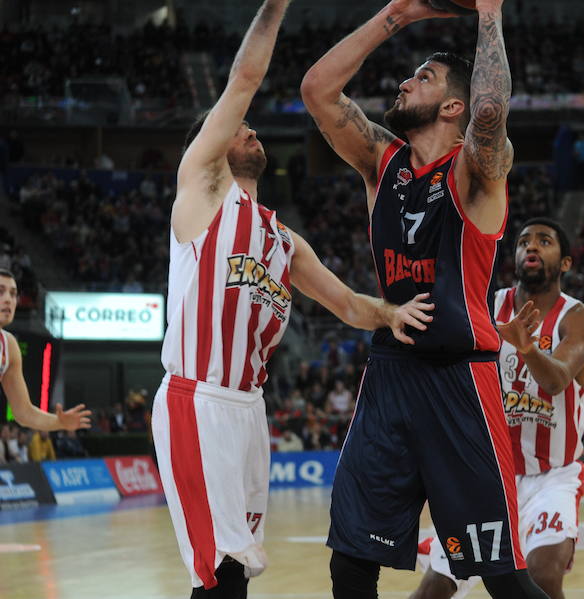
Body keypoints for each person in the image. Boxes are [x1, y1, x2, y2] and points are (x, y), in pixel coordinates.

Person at [151, 3, 433, 596]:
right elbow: (245, 79)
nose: (250, 131)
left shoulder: (282, 238)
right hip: (197, 399)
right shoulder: (202, 191)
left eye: (251, 129)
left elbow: (350, 305)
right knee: (220, 569)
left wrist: (392, 313)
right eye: (239, 128)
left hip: (249, 411)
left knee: (240, 567)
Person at [301, 1, 549, 597]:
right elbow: (317, 89)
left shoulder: (478, 168)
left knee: (503, 579)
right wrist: (397, 14)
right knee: (350, 562)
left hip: (461, 382)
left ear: (451, 106)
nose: (405, 80)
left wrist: (488, 13)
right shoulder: (382, 163)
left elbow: (490, 109)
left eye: (425, 77)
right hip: (390, 376)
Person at [410, 219, 584, 599]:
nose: (531, 247)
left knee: (544, 573)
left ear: (565, 263)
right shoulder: (485, 307)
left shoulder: (579, 318)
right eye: (524, 241)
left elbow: (557, 379)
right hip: (486, 476)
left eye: (544, 241)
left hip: (552, 476)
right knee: (435, 589)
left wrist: (527, 347)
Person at [0, 268, 91, 433]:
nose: (8, 299)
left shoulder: (9, 345)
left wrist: (60, 422)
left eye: (13, 294)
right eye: (0, 292)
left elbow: (24, 413)